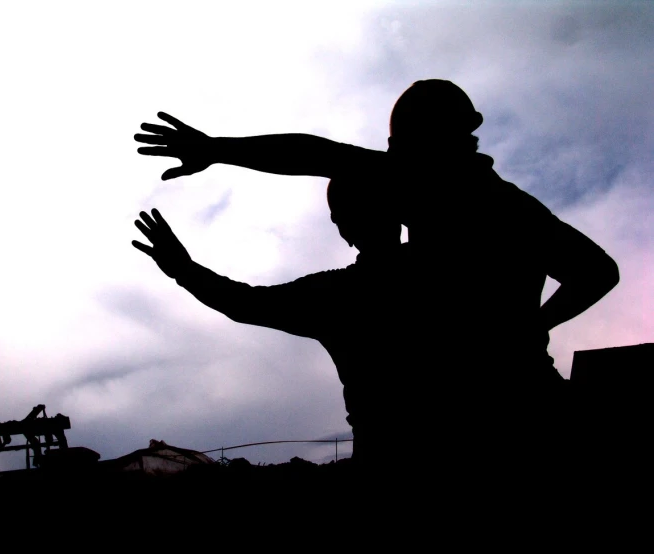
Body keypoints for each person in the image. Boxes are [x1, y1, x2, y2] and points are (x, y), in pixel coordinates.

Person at [133, 80, 620, 407]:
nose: (387, 159)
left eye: (396, 147)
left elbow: (315, 154)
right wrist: (531, 325)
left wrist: (218, 152)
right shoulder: (492, 205)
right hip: (525, 407)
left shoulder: (448, 197)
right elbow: (598, 271)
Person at [132, 178, 412, 470]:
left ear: (343, 227)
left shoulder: (335, 294)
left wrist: (183, 269)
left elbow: (244, 303)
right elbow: (245, 303)